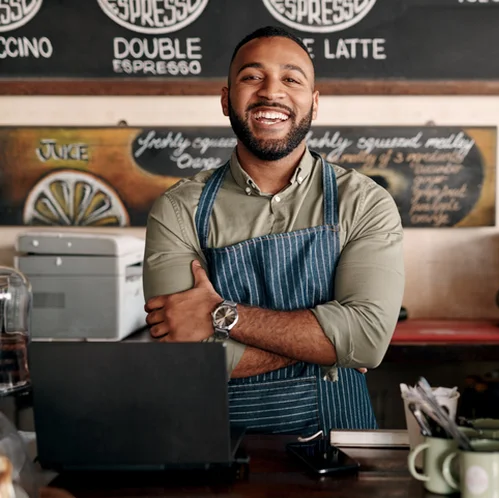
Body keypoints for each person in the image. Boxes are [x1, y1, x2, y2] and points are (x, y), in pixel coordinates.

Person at [141, 26, 405, 436]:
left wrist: (218, 315)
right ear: (227, 100)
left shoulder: (365, 202)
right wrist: (330, 347)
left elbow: (367, 340)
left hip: (339, 451)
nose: (271, 92)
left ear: (314, 104)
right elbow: (184, 358)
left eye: (291, 78)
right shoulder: (178, 208)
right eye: (251, 77)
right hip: (215, 449)